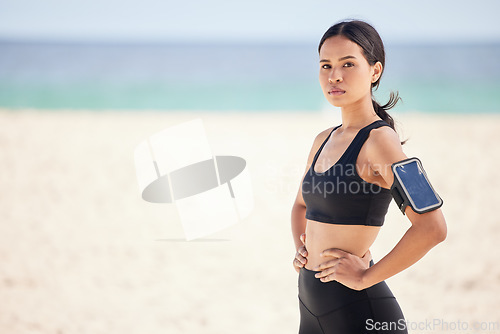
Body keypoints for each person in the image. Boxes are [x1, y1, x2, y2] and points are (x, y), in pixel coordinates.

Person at [291, 20, 447, 334]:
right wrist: (302, 249)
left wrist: (365, 277)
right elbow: (300, 207)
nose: (334, 75)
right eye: (326, 65)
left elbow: (433, 227)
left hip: (360, 315)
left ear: (374, 71)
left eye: (348, 64)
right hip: (311, 311)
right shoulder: (323, 139)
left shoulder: (381, 141)